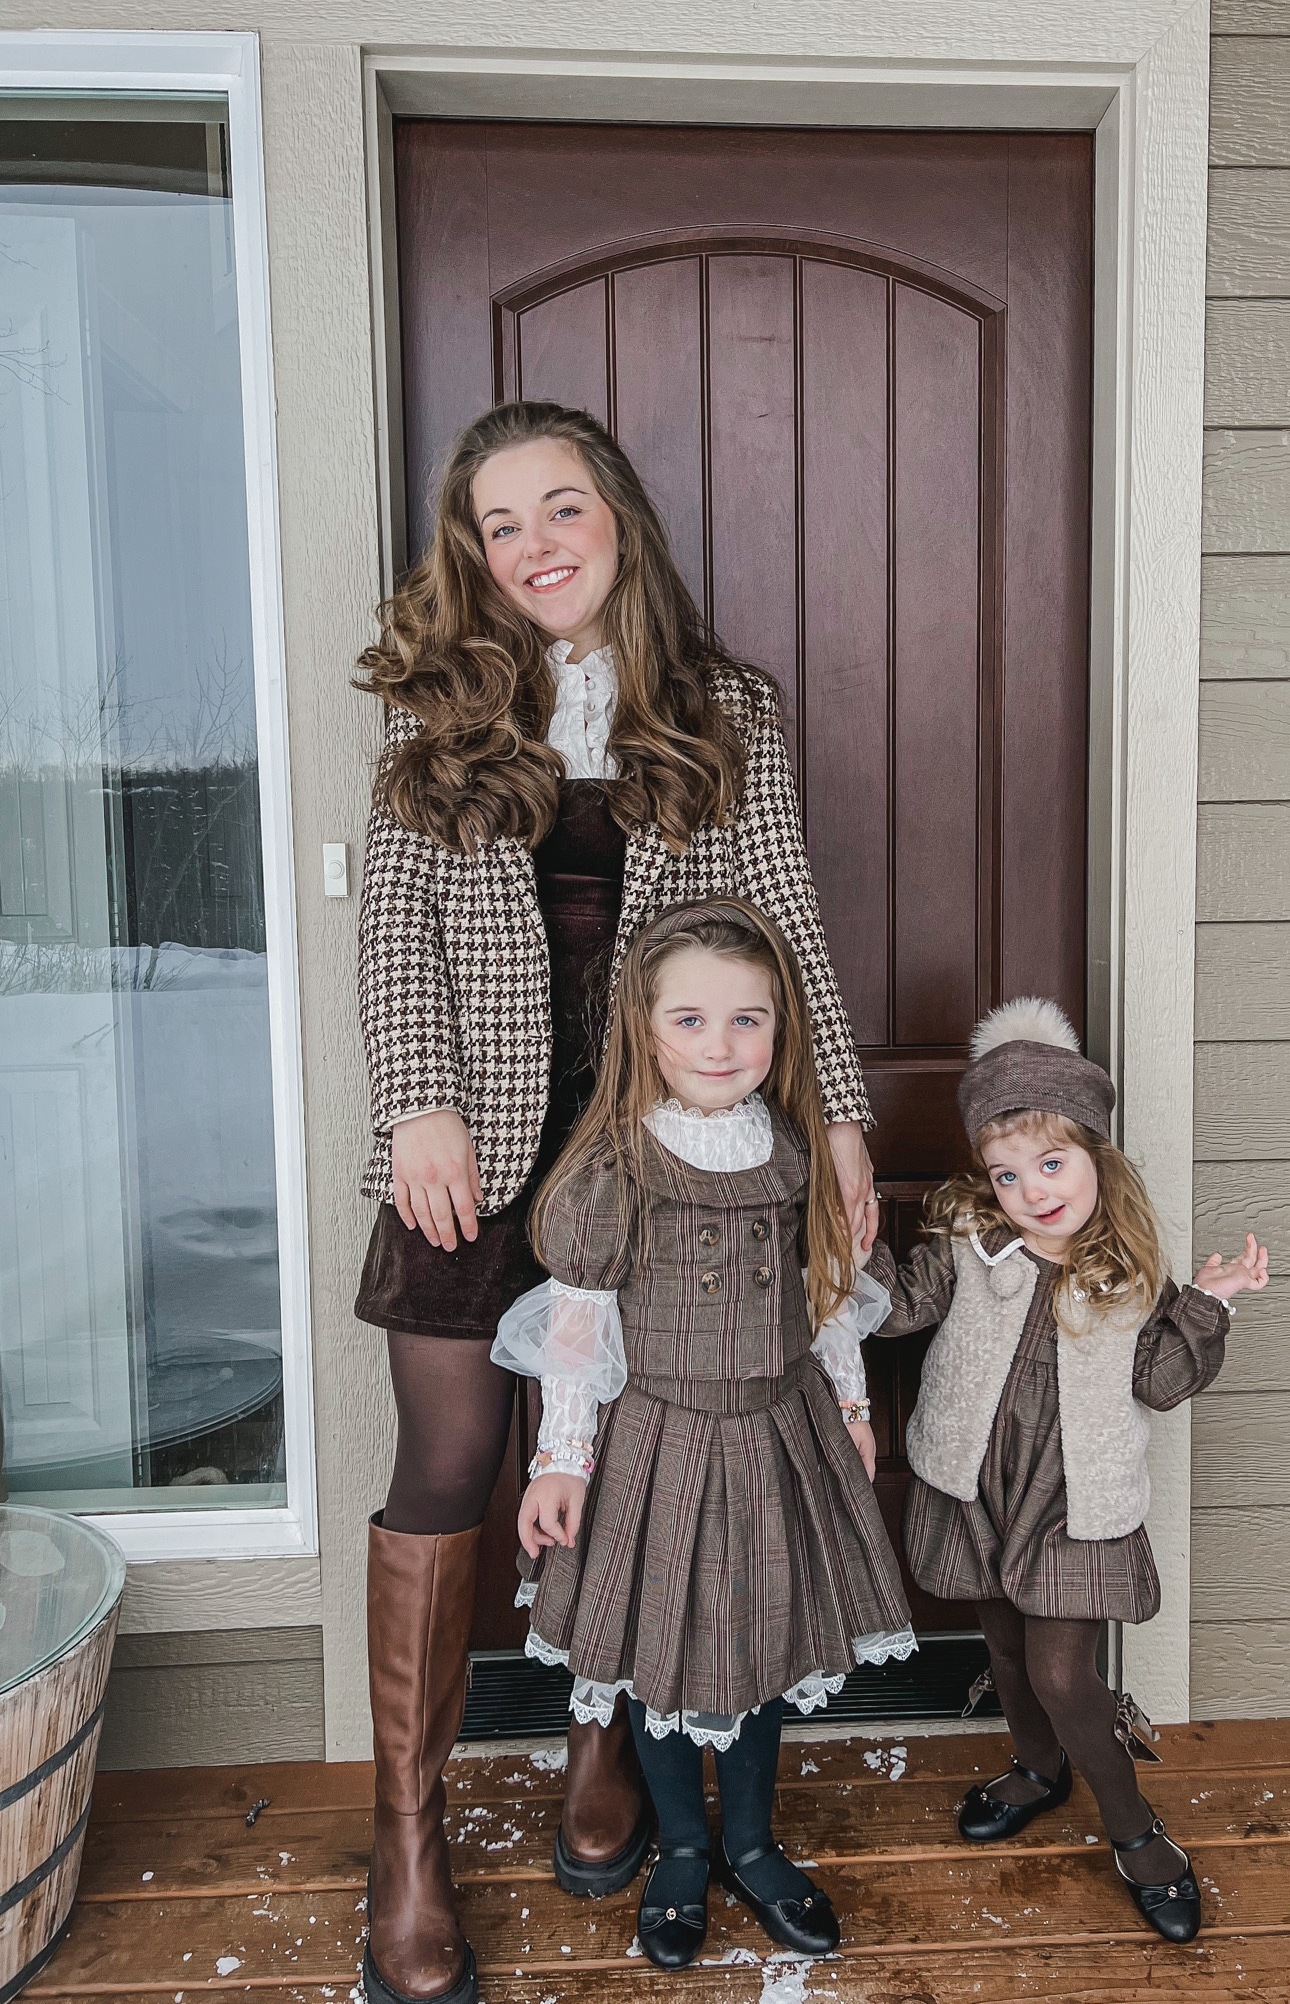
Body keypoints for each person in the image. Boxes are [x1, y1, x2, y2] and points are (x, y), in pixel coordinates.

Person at [353, 403, 877, 2004]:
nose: (535, 547)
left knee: (640, 1433)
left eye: (559, 508)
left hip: (666, 1146)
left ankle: (605, 1735)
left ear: (620, 518)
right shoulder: (435, 714)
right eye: (500, 528)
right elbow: (394, 930)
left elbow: (779, 916)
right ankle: (411, 1841)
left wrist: (841, 1117)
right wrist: (416, 1103)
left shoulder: (725, 713)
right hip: (479, 1139)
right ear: (475, 559)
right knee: (449, 1459)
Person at [494, 897, 914, 1970]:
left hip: (780, 1431)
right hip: (659, 1444)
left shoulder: (794, 1152)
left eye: (747, 1020)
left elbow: (827, 1294)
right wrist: (561, 1459)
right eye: (689, 1020)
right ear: (643, 1027)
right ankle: (683, 1844)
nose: (720, 1045)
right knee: (664, 1655)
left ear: (781, 1030)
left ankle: (753, 1842)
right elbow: (580, 1334)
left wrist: (856, 1411)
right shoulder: (617, 1169)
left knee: (764, 1646)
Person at [868, 996, 1268, 1945]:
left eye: (1052, 1165)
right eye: (1008, 1175)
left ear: (1094, 1156)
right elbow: (894, 1314)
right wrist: (852, 1257)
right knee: (1005, 1652)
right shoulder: (969, 1248)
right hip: (977, 1489)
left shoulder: (1128, 1272)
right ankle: (1036, 1771)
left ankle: (1134, 1829)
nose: (1034, 1192)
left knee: (1061, 1670)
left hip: (1073, 1503)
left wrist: (1208, 1304)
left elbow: (1162, 1382)